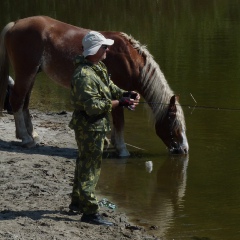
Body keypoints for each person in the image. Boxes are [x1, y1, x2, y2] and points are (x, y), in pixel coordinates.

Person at [69, 31, 140, 226]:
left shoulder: (97, 67)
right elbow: (93, 107)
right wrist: (120, 102)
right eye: (104, 47)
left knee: (85, 164)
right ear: (94, 50)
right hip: (89, 127)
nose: (107, 49)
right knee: (90, 168)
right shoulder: (84, 75)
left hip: (96, 126)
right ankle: (90, 212)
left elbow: (109, 87)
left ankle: (77, 202)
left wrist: (125, 94)